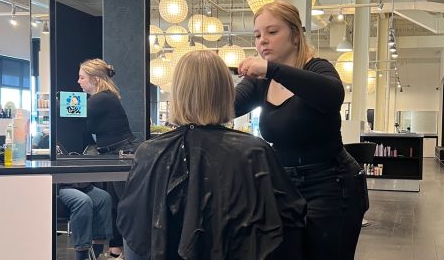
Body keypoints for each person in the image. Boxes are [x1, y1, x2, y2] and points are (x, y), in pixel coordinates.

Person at [117, 50, 306, 260]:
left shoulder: (149, 152)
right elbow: (285, 230)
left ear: (177, 94)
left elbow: (135, 235)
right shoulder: (254, 152)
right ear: (226, 92)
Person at [235, 0, 369, 260]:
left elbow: (332, 94)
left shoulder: (317, 68)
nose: (263, 41)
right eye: (258, 35)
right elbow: (225, 105)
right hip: (283, 186)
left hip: (332, 186)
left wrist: (272, 69)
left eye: (272, 32)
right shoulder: (261, 83)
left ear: (295, 35)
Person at [78, 58, 141, 258]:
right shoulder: (104, 97)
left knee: (126, 206)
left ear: (95, 79)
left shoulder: (101, 99)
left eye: (82, 77)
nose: (78, 81)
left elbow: (74, 116)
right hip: (118, 153)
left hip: (122, 153)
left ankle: (133, 251)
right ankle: (116, 251)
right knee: (117, 205)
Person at [58, 184, 113, 260]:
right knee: (83, 201)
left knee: (104, 198)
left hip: (84, 185)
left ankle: (97, 254)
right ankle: (82, 256)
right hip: (62, 187)